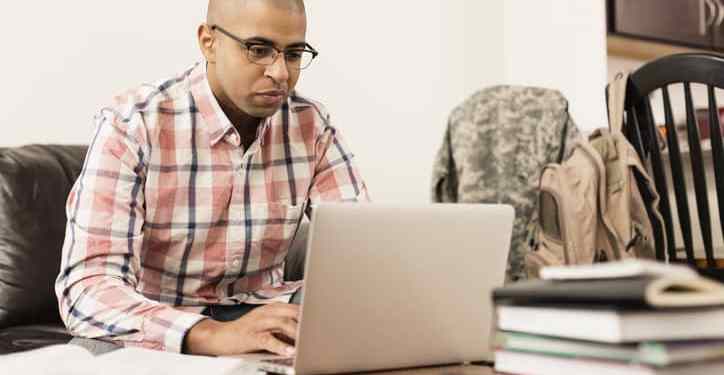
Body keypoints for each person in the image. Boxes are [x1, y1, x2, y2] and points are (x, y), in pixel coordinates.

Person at [55, 0, 369, 357]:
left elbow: (360, 259)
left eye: (294, 53)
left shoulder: (311, 126)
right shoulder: (133, 124)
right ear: (208, 41)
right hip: (159, 326)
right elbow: (87, 287)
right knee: (88, 352)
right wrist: (210, 335)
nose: (281, 72)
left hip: (263, 315)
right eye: (259, 50)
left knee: (360, 314)